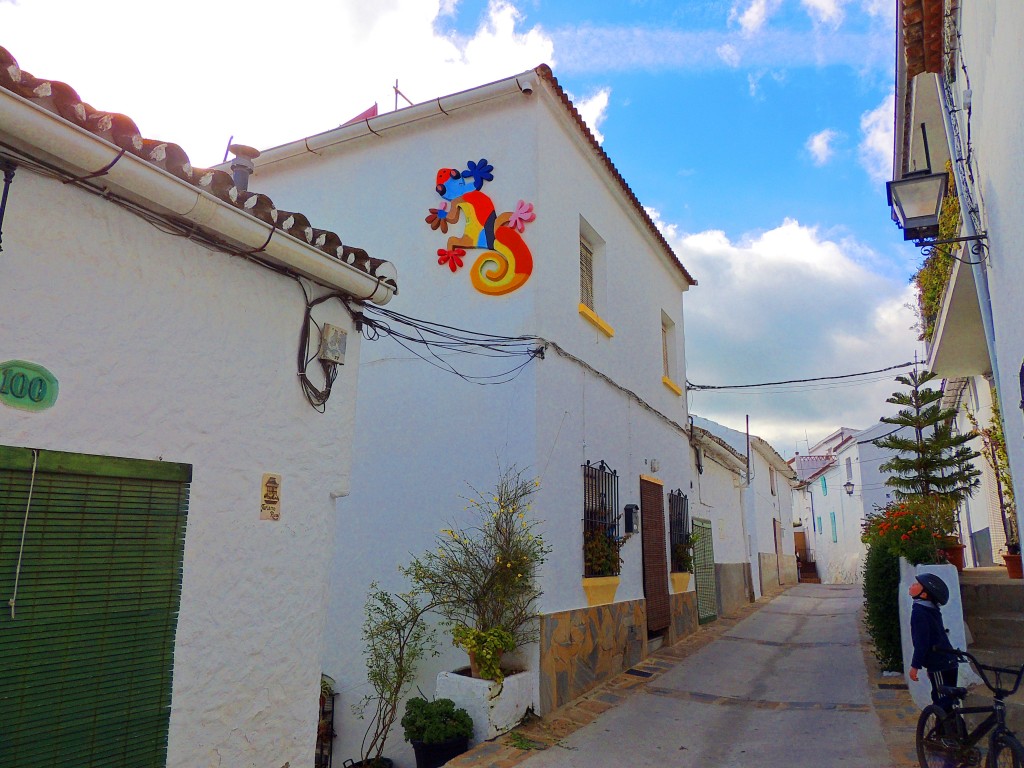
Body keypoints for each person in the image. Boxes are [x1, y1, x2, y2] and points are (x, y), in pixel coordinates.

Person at [908, 572, 958, 710]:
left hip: (939, 663)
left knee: (942, 703)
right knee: (948, 702)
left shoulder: (920, 612)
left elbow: (922, 642)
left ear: (923, 595)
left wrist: (915, 666)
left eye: (917, 584)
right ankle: (953, 730)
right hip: (947, 660)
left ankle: (946, 731)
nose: (912, 585)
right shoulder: (931, 609)